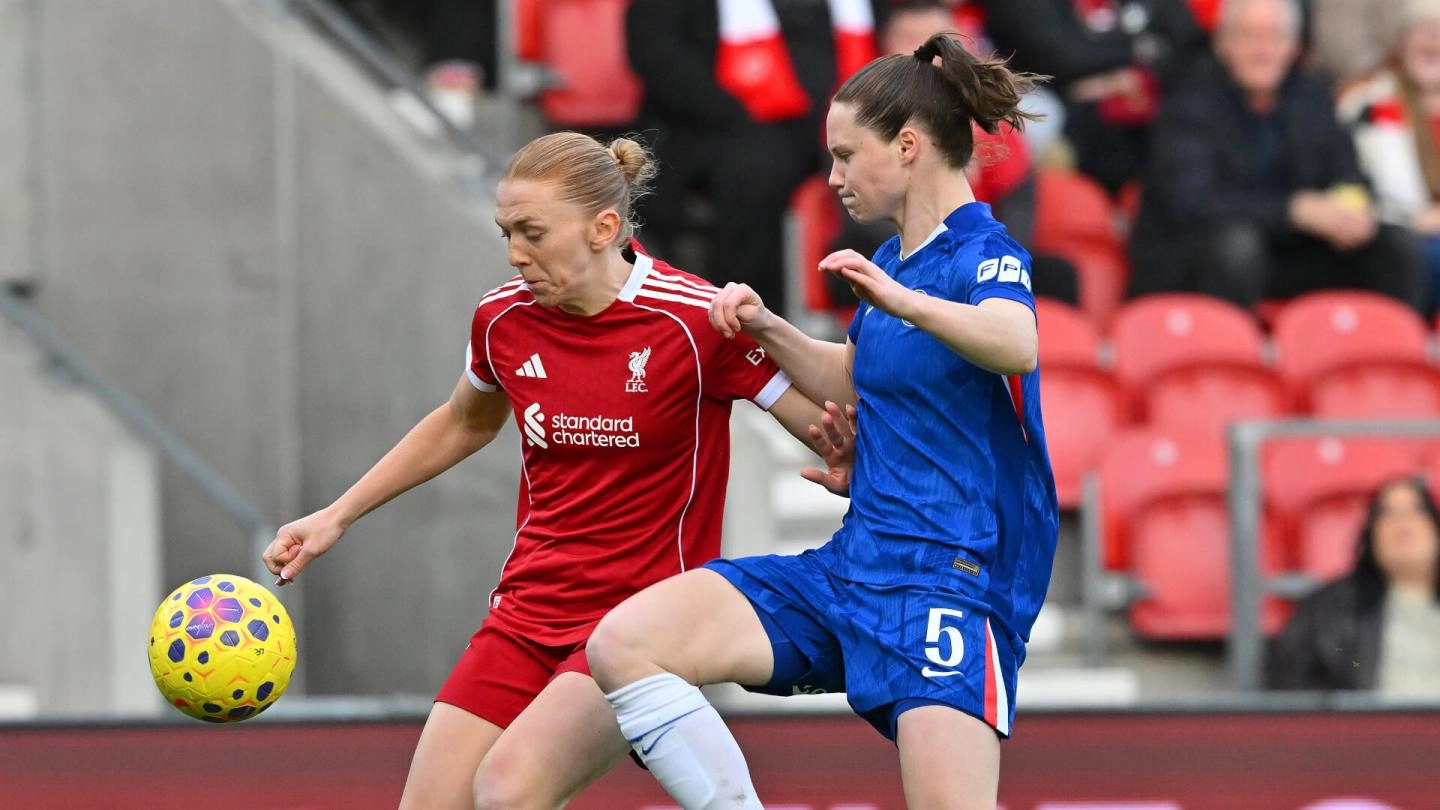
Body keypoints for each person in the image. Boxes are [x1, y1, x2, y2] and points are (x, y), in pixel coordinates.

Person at [259, 132, 856, 810]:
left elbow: (822, 425)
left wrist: (848, 464)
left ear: (603, 228)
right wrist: (334, 516)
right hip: (526, 613)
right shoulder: (502, 318)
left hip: (636, 629)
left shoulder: (695, 321)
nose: (516, 253)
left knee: (507, 791)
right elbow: (464, 421)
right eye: (507, 232)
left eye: (533, 232)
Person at [587, 33, 1059, 809]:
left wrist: (900, 302)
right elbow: (852, 374)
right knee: (626, 644)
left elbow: (1017, 343)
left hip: (951, 588)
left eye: (846, 154)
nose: (832, 176)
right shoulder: (901, 264)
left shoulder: (982, 250)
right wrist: (768, 327)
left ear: (907, 147)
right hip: (852, 571)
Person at [1128, 0, 1428, 313]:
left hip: (1292, 255)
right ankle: (1227, 357)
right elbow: (1192, 202)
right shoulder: (1189, 101)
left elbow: (1347, 174)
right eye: (1249, 36)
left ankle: (1388, 356)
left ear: (1293, 46)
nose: (1263, 50)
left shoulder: (1311, 95)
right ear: (1223, 43)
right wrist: (1291, 211)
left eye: (1275, 37)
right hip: (1197, 259)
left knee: (1397, 247)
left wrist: (1351, 211)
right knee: (1236, 247)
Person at [624, 0, 886, 316]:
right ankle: (750, 319)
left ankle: (879, 308)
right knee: (757, 170)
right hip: (719, 122)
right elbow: (656, 54)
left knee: (884, 154)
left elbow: (889, 29)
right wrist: (735, 113)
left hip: (837, 115)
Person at [1268, 478, 1440, 697]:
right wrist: (1352, 669)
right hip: (1375, 728)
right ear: (1371, 536)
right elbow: (1292, 678)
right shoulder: (1330, 608)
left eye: (1416, 510)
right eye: (1387, 514)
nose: (1403, 525)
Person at [1339, 0, 1440, 315]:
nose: (1432, 43)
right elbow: (1346, 187)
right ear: (1400, 43)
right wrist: (1410, 220)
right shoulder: (1365, 105)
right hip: (1395, 234)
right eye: (1421, 32)